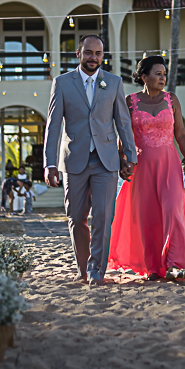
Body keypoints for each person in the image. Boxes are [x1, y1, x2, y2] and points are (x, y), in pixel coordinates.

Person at [44, 35, 137, 285]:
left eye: (97, 53)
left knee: (103, 217)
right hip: (73, 159)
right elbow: (53, 126)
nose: (93, 58)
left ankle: (97, 270)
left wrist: (130, 156)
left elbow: (123, 122)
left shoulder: (114, 82)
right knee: (76, 217)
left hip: (106, 161)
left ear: (102, 56)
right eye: (88, 52)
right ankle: (83, 266)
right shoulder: (62, 83)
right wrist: (49, 163)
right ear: (78, 53)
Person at [109, 55, 185, 281]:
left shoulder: (172, 100)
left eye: (164, 74)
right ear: (144, 77)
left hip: (169, 165)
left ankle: (176, 264)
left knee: (173, 212)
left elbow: (181, 133)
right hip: (142, 168)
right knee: (148, 218)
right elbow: (124, 135)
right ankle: (153, 268)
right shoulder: (131, 101)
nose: (162, 77)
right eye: (157, 73)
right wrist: (122, 160)